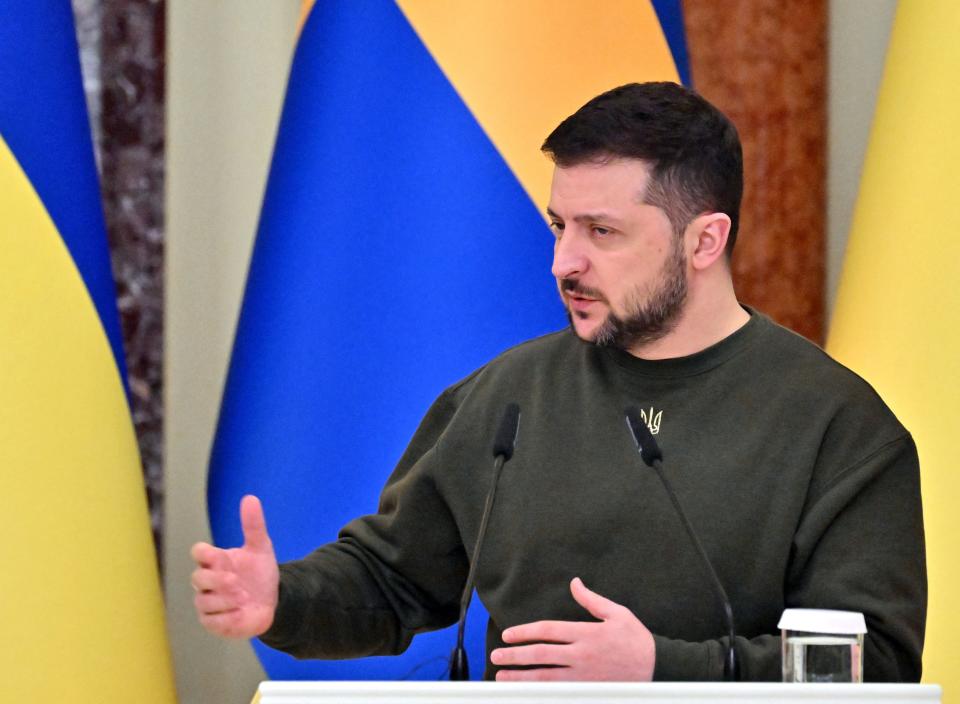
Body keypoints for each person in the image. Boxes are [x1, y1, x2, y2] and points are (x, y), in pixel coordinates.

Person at [191, 82, 926, 681]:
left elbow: (874, 670)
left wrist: (661, 670)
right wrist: (283, 599)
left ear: (706, 240)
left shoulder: (838, 426)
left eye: (601, 232)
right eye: (558, 227)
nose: (563, 263)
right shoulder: (507, 399)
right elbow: (394, 582)